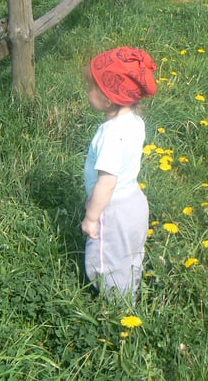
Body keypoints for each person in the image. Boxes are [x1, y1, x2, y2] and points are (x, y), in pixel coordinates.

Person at [81, 46, 157, 299]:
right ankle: (132, 293)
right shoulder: (135, 122)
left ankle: (115, 309)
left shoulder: (111, 134)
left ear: (108, 98)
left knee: (105, 261)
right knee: (129, 254)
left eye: (91, 87)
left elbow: (107, 181)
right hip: (134, 201)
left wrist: (92, 217)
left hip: (112, 210)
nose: (87, 91)